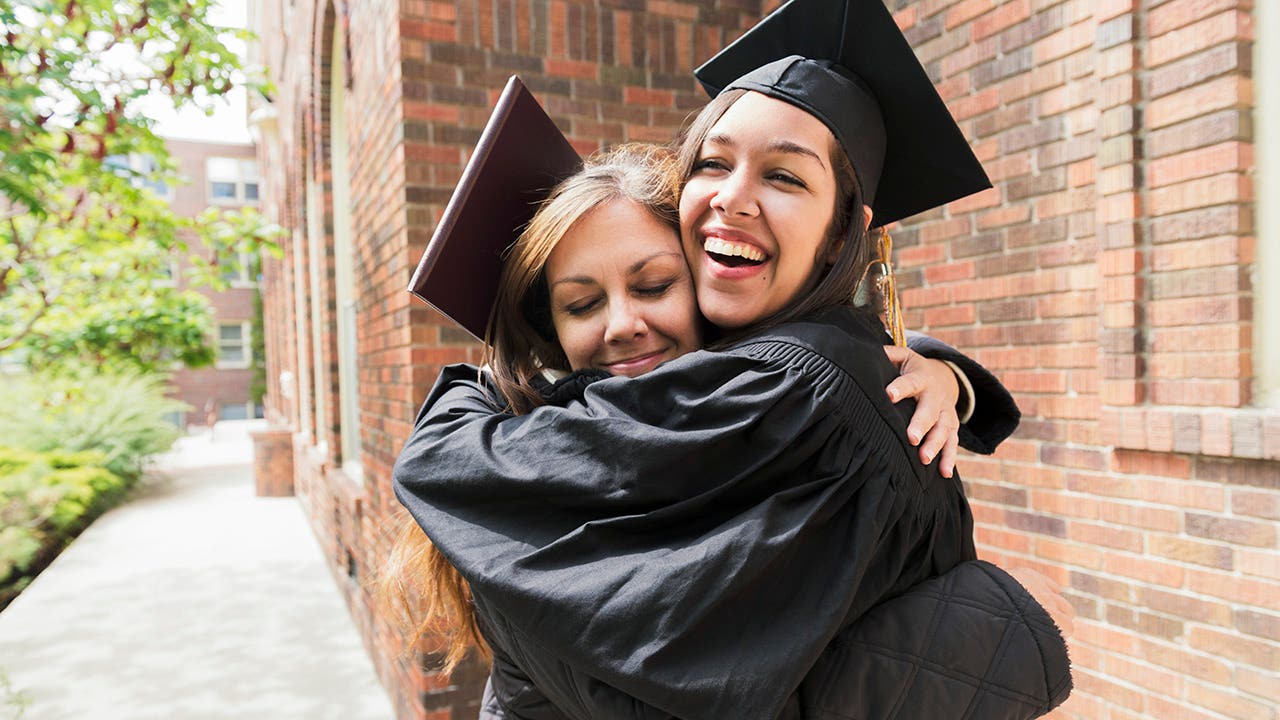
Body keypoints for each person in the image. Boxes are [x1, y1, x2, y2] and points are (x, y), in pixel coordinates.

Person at [394, 1, 1072, 716]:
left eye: (786, 177)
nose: (734, 198)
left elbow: (449, 468)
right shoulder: (814, 367)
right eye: (713, 162)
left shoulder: (780, 395)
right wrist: (942, 370)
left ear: (846, 228)